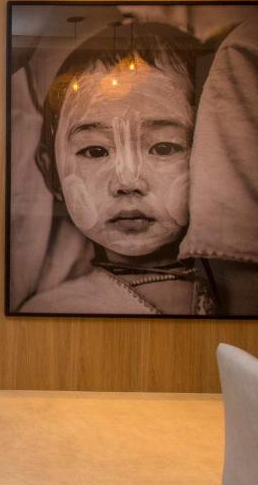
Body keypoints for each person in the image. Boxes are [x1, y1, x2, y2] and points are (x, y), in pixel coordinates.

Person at [19, 22, 218, 315]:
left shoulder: (242, 290)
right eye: (95, 150)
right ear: (51, 173)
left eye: (163, 148)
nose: (128, 180)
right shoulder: (56, 309)